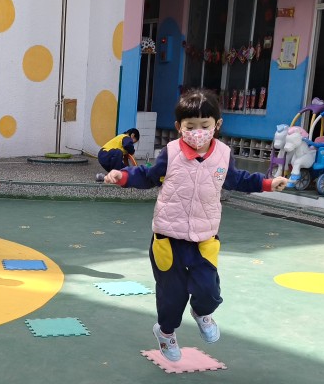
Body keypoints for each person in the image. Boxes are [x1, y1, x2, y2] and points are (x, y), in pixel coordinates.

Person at [103, 88, 288, 362]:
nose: (197, 132)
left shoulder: (223, 155)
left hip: (204, 238)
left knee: (208, 291)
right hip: (168, 238)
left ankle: (202, 313)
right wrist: (123, 177)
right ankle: (166, 332)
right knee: (172, 295)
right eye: (190, 127)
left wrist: (268, 184)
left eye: (204, 125)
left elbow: (238, 179)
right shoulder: (171, 152)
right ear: (179, 126)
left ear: (217, 124)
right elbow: (148, 175)